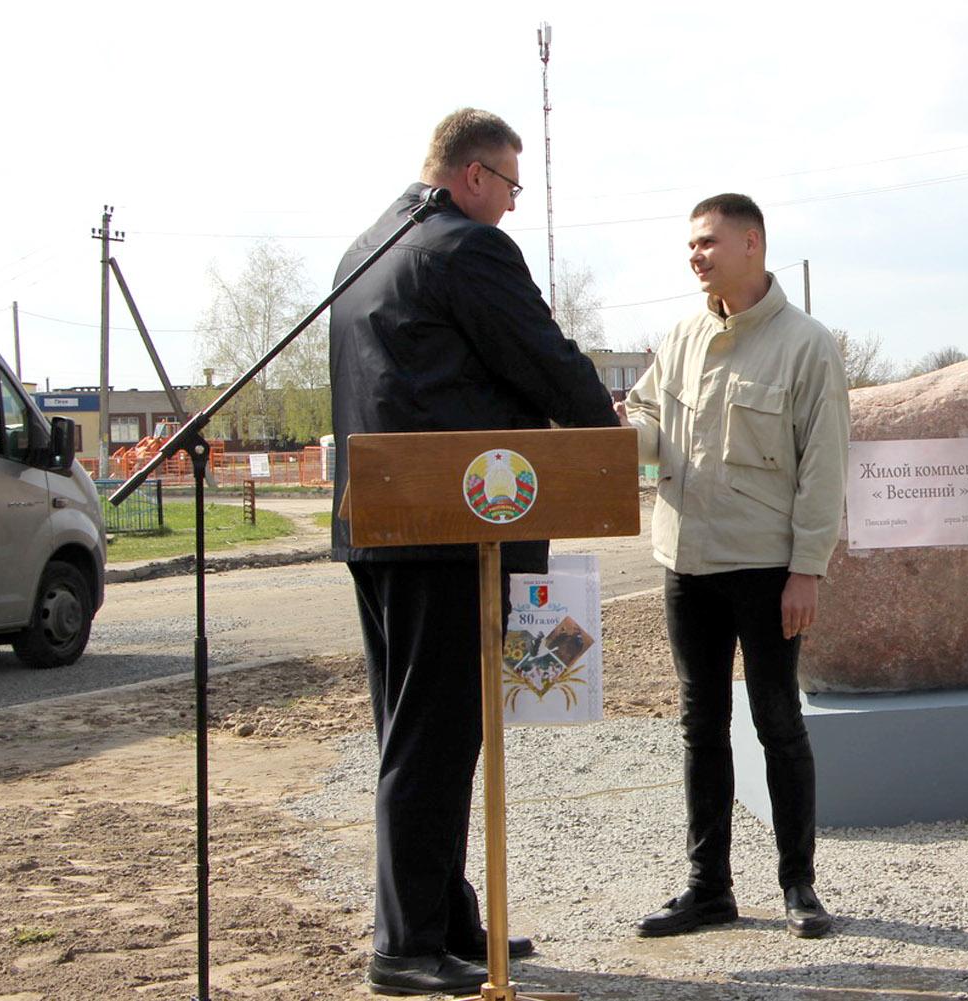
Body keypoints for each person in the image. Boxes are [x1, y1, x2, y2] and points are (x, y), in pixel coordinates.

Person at [329, 108, 618, 995]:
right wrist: (602, 436)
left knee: (417, 734)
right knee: (433, 738)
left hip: (384, 530)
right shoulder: (464, 246)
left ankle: (443, 919)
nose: (511, 209)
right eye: (510, 188)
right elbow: (541, 355)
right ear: (474, 177)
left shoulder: (365, 248)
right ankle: (407, 946)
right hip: (452, 537)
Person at [620, 194, 850, 939]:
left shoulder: (806, 345)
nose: (696, 254)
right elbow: (650, 428)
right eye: (690, 244)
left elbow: (824, 468)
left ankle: (799, 885)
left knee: (778, 720)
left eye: (708, 242)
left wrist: (807, 568)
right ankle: (707, 886)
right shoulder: (681, 337)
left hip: (765, 567)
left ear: (751, 242)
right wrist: (616, 433)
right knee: (700, 724)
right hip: (687, 561)